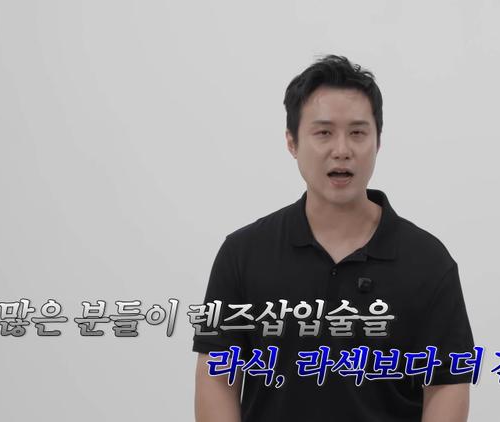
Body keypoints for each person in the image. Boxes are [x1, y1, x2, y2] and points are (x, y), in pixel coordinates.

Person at [193, 54, 474, 422]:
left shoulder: (428, 262)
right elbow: (218, 376)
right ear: (292, 142)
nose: (342, 150)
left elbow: (447, 384)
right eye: (323, 132)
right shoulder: (243, 254)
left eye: (358, 133)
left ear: (378, 141)